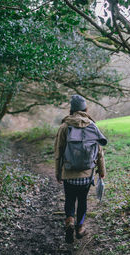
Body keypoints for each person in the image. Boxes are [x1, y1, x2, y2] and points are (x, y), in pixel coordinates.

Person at [54, 95, 106, 244]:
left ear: (71, 110)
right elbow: (99, 152)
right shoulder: (92, 126)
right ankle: (80, 228)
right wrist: (102, 172)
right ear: (85, 109)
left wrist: (58, 172)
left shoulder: (65, 127)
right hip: (86, 175)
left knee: (70, 199)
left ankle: (70, 221)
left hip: (69, 174)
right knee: (82, 200)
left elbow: (58, 152)